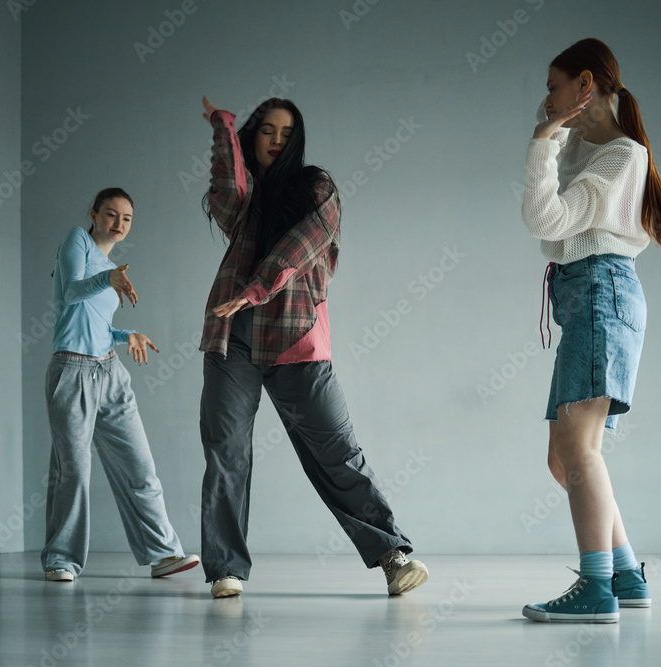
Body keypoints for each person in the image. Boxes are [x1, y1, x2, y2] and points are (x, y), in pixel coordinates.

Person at [197, 96, 428, 599]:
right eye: (266, 131)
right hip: (232, 338)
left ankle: (392, 555)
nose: (276, 140)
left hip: (296, 336)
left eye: (285, 132)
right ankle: (226, 569)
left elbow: (300, 246)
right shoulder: (247, 199)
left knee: (337, 452)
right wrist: (223, 129)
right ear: (253, 137)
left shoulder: (316, 187)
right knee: (226, 453)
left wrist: (254, 290)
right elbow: (225, 194)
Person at [519, 38, 661, 623]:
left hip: (601, 293)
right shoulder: (586, 145)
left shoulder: (622, 154)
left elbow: (546, 218)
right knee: (565, 460)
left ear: (585, 84)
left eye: (554, 86)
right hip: (586, 297)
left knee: (579, 452)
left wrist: (541, 141)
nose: (546, 98)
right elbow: (552, 228)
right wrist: (556, 131)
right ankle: (626, 576)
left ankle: (596, 588)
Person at [41, 187, 199, 582]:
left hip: (110, 372)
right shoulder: (77, 240)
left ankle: (163, 554)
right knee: (73, 472)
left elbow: (95, 324)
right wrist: (108, 278)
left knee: (139, 467)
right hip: (72, 370)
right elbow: (72, 293)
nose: (118, 223)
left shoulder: (111, 268)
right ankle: (61, 559)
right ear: (93, 214)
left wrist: (126, 333)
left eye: (126, 218)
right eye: (111, 214)